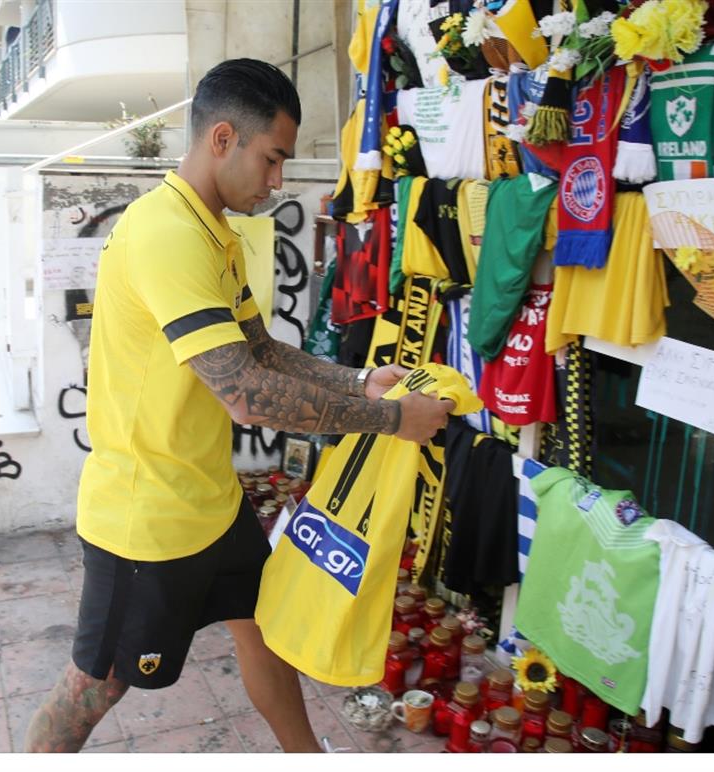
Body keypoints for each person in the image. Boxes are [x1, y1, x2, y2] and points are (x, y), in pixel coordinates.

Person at [24, 58, 454, 753]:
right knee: (91, 690)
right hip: (147, 521)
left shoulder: (212, 232)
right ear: (222, 138)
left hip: (212, 503)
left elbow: (262, 351)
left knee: (265, 629)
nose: (278, 179)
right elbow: (245, 393)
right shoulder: (166, 233)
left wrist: (358, 382)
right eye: (272, 158)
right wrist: (392, 421)